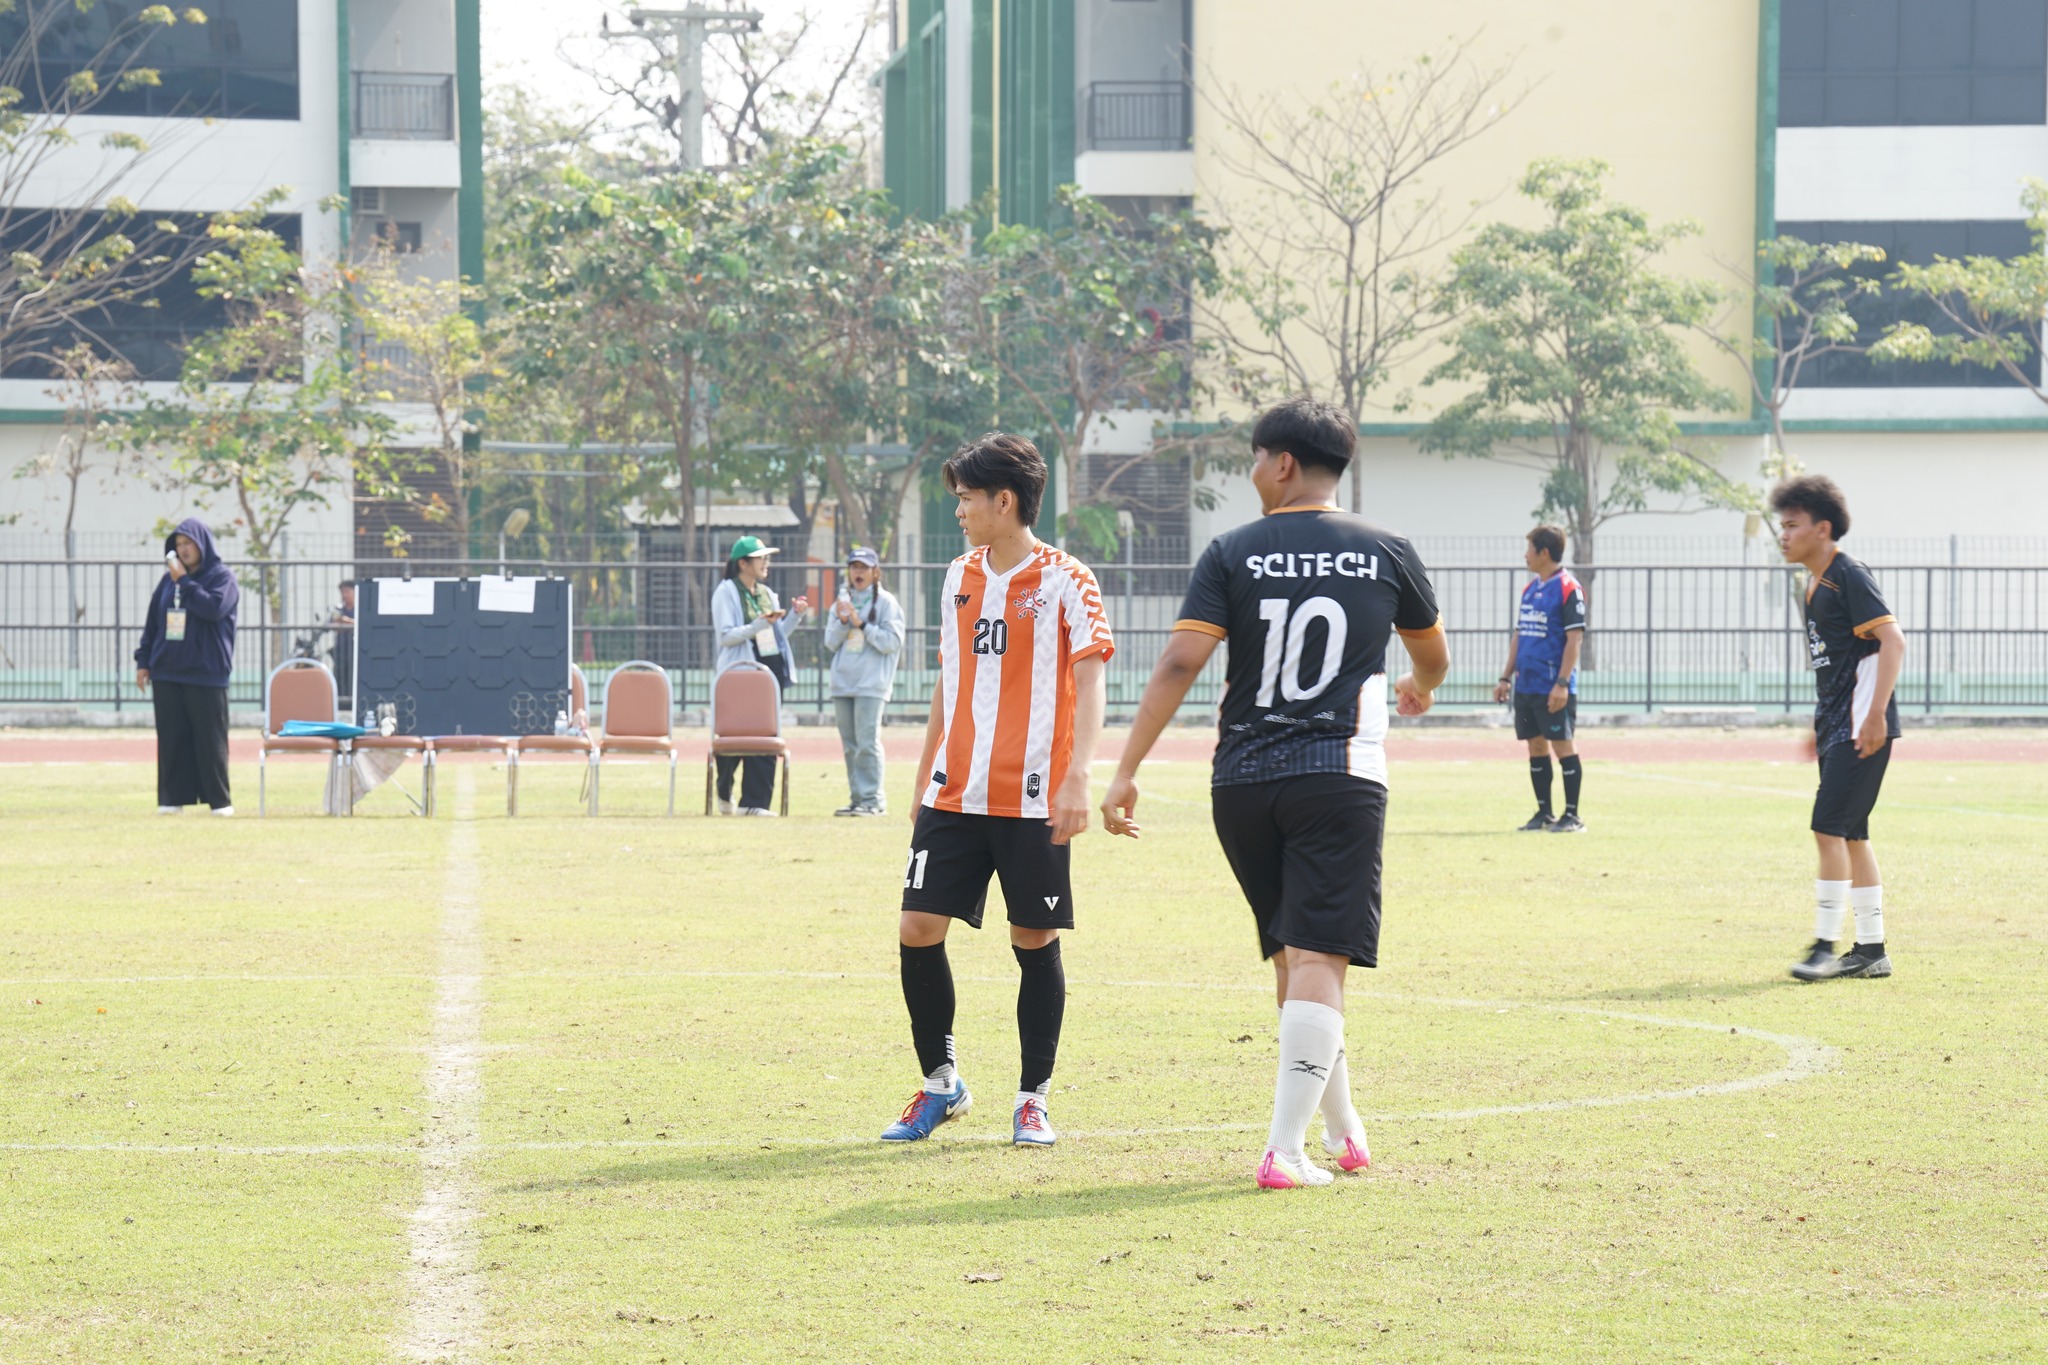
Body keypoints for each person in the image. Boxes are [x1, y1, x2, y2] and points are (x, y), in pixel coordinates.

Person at [1099, 397, 1449, 1190]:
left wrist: (1126, 768)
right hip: (1338, 775)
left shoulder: (1233, 550)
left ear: (1283, 463)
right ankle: (1284, 1149)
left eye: (1255, 458)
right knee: (1320, 953)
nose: (1253, 472)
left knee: (1296, 951)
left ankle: (1341, 1126)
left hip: (1242, 782)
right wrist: (1419, 686)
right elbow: (1433, 655)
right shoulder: (1386, 548)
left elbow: (1179, 663)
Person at [881, 433, 1113, 1149]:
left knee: (1032, 939)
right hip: (955, 792)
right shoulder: (958, 575)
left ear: (1003, 501)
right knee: (917, 928)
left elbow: (1091, 681)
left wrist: (1079, 776)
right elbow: (948, 680)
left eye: (965, 498)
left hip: (1033, 798)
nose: (958, 510)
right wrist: (922, 775)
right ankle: (941, 1084)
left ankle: (1032, 1099)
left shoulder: (1068, 579)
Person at [1772, 476, 1904, 983]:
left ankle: (1824, 947)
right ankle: (1871, 950)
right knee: (1851, 835)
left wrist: (1875, 715)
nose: (1783, 534)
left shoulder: (1847, 574)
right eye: (1782, 525)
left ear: (1822, 529)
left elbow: (1893, 641)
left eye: (1792, 525)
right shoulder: (1813, 584)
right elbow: (1840, 666)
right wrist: (1821, 724)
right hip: (1838, 725)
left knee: (1826, 829)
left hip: (1860, 728)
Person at [134, 517, 241, 816]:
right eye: (178, 544)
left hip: (206, 674)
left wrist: (184, 581)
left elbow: (213, 608)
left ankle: (219, 803)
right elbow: (153, 623)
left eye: (188, 543)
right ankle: (171, 800)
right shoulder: (167, 581)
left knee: (210, 740)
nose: (183, 550)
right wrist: (143, 661)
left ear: (202, 545)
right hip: (167, 672)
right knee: (171, 739)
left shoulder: (222, 578)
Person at [1491, 526, 1588, 833]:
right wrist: (1505, 677)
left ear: (1544, 552)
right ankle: (1544, 813)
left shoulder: (1569, 588)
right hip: (1527, 684)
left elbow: (1575, 640)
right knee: (1535, 746)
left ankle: (1572, 816)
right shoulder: (1530, 590)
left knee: (1563, 746)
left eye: (1529, 549)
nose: (1526, 555)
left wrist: (1562, 683)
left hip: (1552, 686)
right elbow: (1519, 636)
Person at [710, 534, 808, 816]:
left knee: (765, 735)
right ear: (742, 563)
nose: (766, 563)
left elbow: (777, 634)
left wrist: (795, 615)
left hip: (768, 676)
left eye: (767, 557)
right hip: (739, 675)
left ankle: (755, 803)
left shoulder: (766, 593)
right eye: (760, 558)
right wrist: (757, 625)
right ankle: (724, 791)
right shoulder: (726, 591)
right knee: (736, 735)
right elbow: (726, 636)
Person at [823, 545, 904, 817]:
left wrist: (862, 624)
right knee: (850, 745)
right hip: (842, 683)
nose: (858, 572)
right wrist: (842, 620)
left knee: (867, 742)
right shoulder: (841, 602)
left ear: (875, 572)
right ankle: (857, 799)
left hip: (871, 683)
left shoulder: (886, 603)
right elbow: (830, 642)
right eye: (854, 567)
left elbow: (891, 642)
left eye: (864, 568)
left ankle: (873, 800)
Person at [330, 579, 357, 713]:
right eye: (342, 592)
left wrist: (345, 621)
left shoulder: (360, 609)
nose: (344, 595)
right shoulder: (338, 609)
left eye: (347, 591)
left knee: (353, 678)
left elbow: (360, 625)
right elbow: (334, 626)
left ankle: (352, 705)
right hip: (340, 650)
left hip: (355, 650)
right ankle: (340, 706)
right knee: (339, 678)